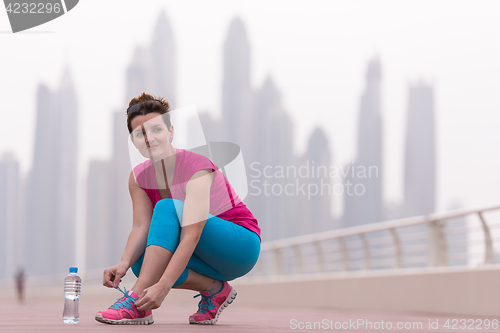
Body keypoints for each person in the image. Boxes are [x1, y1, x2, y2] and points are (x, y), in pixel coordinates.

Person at [95, 93, 261, 325]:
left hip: (239, 246)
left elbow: (191, 235)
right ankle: (215, 290)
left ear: (170, 132)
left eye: (156, 130)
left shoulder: (196, 168)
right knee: (141, 263)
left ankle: (135, 302)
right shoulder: (138, 177)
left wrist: (163, 286)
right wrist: (123, 263)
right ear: (133, 141)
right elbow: (141, 226)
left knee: (167, 206)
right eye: (140, 133)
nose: (149, 138)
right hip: (204, 254)